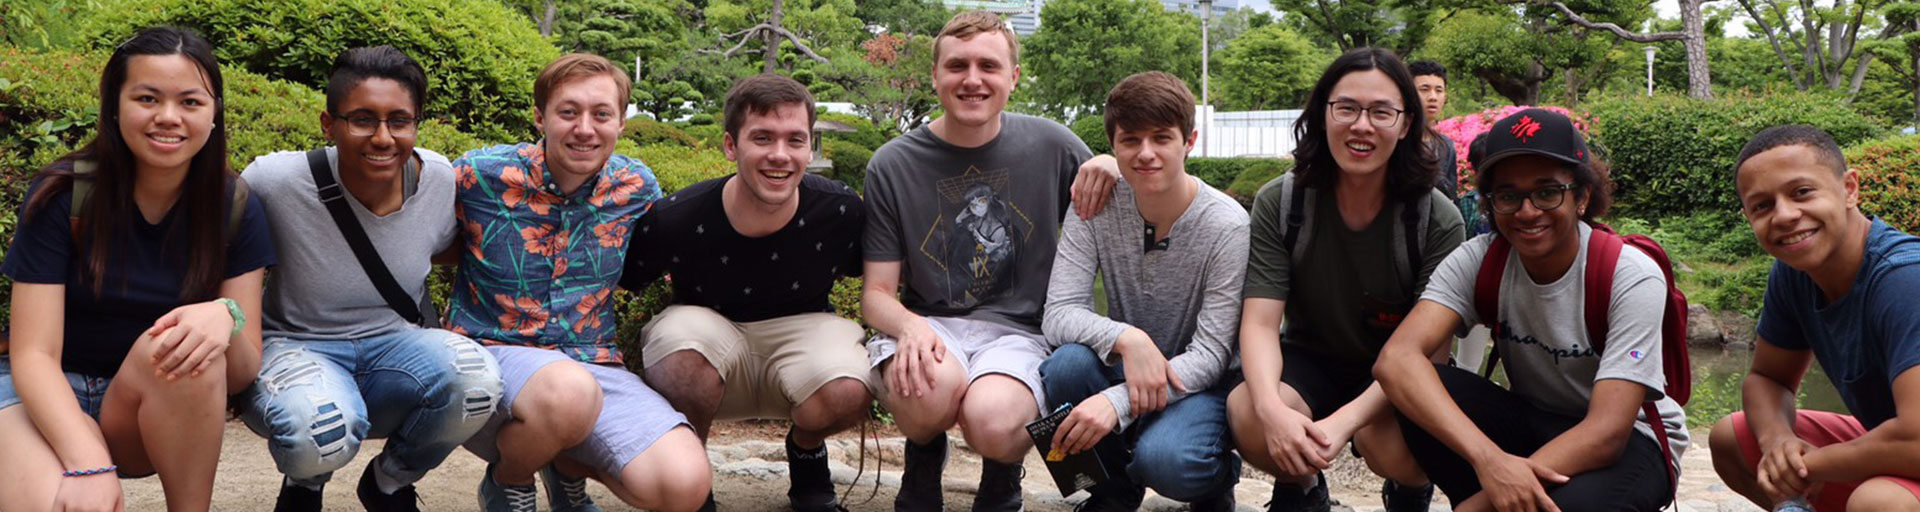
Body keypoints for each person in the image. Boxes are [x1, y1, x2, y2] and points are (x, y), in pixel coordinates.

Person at [0, 26, 276, 511]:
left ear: (214, 114)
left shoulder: (234, 206)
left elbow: (241, 371)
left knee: (185, 341)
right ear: (114, 106)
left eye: (190, 102)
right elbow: (33, 355)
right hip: (39, 395)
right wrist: (88, 462)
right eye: (147, 98)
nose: (168, 117)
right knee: (68, 503)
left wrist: (224, 315)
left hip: (142, 408)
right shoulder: (62, 197)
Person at [860, 10, 1116, 511]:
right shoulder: (893, 163)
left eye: (989, 66)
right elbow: (876, 294)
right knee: (923, 395)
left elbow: (1123, 217)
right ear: (935, 75)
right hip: (932, 324)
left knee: (995, 421)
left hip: (1024, 330)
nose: (972, 79)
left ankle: (1003, 476)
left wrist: (1111, 163)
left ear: (1013, 77)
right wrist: (909, 328)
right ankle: (923, 458)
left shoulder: (1054, 145)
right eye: (957, 66)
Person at [1373, 108, 1689, 512]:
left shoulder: (1629, 275)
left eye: (1547, 192)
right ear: (1490, 203)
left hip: (1632, 440)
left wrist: (1483, 502)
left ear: (1582, 197)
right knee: (1431, 386)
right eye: (1508, 195)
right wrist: (1491, 463)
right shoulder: (1480, 259)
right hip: (1535, 419)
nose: (1527, 211)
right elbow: (1396, 360)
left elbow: (1608, 432)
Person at [237, 46, 502, 512]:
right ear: (328, 124)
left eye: (399, 120)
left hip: (394, 347)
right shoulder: (274, 181)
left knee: (477, 380)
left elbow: (442, 247)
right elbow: (216, 242)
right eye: (362, 119)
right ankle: (305, 485)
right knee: (316, 430)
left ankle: (388, 483)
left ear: (416, 123)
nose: (383, 137)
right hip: (296, 345)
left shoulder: (437, 177)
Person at [449, 53, 709, 512]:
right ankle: (510, 480)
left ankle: (564, 467)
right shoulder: (477, 176)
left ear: (621, 122)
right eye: (568, 112)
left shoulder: (635, 187)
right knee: (568, 393)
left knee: (684, 485)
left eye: (601, 114)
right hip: (490, 359)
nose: (585, 128)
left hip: (594, 364)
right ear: (540, 117)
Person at [1223, 47, 1463, 512]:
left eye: (1381, 112)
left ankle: (1410, 489)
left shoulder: (1436, 219)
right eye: (1347, 108)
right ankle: (1303, 488)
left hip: (1401, 369)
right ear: (1322, 113)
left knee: (1387, 442)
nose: (1361, 126)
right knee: (1248, 412)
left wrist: (1345, 423)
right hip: (1311, 358)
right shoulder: (1284, 202)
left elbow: (1428, 352)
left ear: (1406, 123)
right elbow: (1258, 323)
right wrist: (1272, 411)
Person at [628, 73, 869, 512]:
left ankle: (807, 452)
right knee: (679, 353)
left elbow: (880, 280)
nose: (780, 155)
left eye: (795, 140)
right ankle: (691, 477)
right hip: (709, 336)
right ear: (730, 146)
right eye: (762, 138)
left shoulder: (840, 211)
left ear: (809, 149)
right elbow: (622, 281)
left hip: (805, 335)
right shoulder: (676, 218)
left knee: (850, 386)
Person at [1038, 71, 1248, 512]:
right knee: (1064, 367)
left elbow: (1211, 355)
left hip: (1197, 387)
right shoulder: (1093, 204)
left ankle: (1215, 480)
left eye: (1161, 138)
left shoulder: (1227, 226)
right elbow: (1057, 312)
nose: (1146, 153)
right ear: (1112, 144)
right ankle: (1110, 492)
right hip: (1123, 365)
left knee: (1168, 461)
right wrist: (1128, 339)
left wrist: (1115, 404)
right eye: (1131, 140)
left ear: (1189, 141)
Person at [1708, 124, 1920, 512]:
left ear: (1849, 189)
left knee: (1879, 502)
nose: (1785, 215)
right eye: (1763, 205)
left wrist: (1810, 465)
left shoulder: (1905, 279)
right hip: (1902, 447)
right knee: (1732, 438)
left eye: (1801, 192)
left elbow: (1917, 439)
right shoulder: (1795, 273)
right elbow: (1768, 378)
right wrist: (1777, 444)